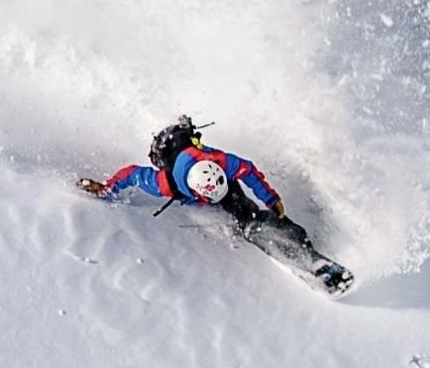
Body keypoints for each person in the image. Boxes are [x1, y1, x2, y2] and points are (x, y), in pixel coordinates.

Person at [78, 115, 347, 290]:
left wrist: (271, 199)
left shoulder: (221, 162)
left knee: (250, 218)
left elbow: (249, 171)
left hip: (219, 183)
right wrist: (105, 190)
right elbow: (131, 175)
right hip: (180, 166)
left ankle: (306, 252)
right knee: (246, 219)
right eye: (210, 199)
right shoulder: (167, 183)